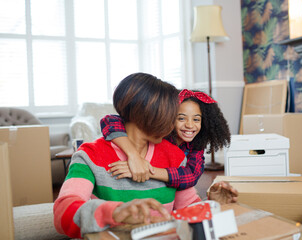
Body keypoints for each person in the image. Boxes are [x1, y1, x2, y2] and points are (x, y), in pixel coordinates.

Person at [53, 73, 237, 238]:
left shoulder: (175, 156)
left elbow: (187, 209)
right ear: (145, 113)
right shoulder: (89, 155)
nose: (177, 122)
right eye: (173, 114)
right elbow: (63, 213)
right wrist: (115, 212)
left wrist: (212, 205)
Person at [101, 89, 231, 191]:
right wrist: (134, 156)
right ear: (168, 117)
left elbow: (191, 176)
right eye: (181, 118)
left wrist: (147, 170)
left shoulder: (195, 145)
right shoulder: (157, 134)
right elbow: (109, 121)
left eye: (196, 119)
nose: (190, 125)